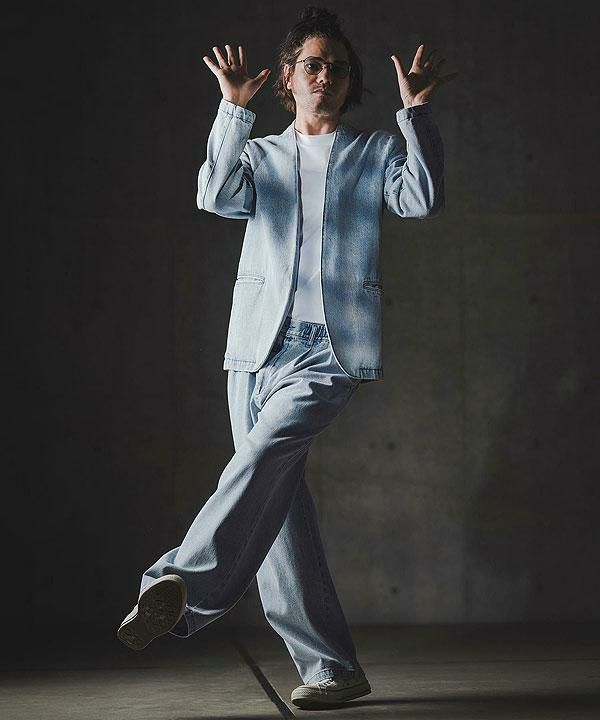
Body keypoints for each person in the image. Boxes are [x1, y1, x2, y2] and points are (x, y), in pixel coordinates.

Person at [117, 5, 457, 711]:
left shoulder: (374, 153)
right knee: (276, 504)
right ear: (289, 78)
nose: (326, 75)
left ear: (350, 83)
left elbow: (422, 200)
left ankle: (179, 583)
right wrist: (231, 113)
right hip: (253, 348)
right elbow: (214, 195)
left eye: (339, 68)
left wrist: (417, 114)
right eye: (313, 64)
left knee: (262, 461)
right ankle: (331, 667)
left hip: (329, 348)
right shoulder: (260, 154)